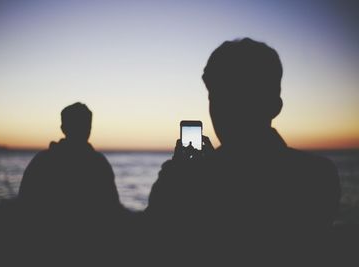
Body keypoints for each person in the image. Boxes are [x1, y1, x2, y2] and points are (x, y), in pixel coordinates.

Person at [145, 38, 341, 262]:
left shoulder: (314, 176)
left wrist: (181, 183)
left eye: (240, 95)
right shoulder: (316, 173)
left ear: (274, 107)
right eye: (217, 97)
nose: (224, 109)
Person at [18, 102, 123, 263]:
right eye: (83, 124)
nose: (86, 129)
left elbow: (25, 205)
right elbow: (112, 210)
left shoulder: (42, 161)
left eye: (87, 124)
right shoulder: (98, 163)